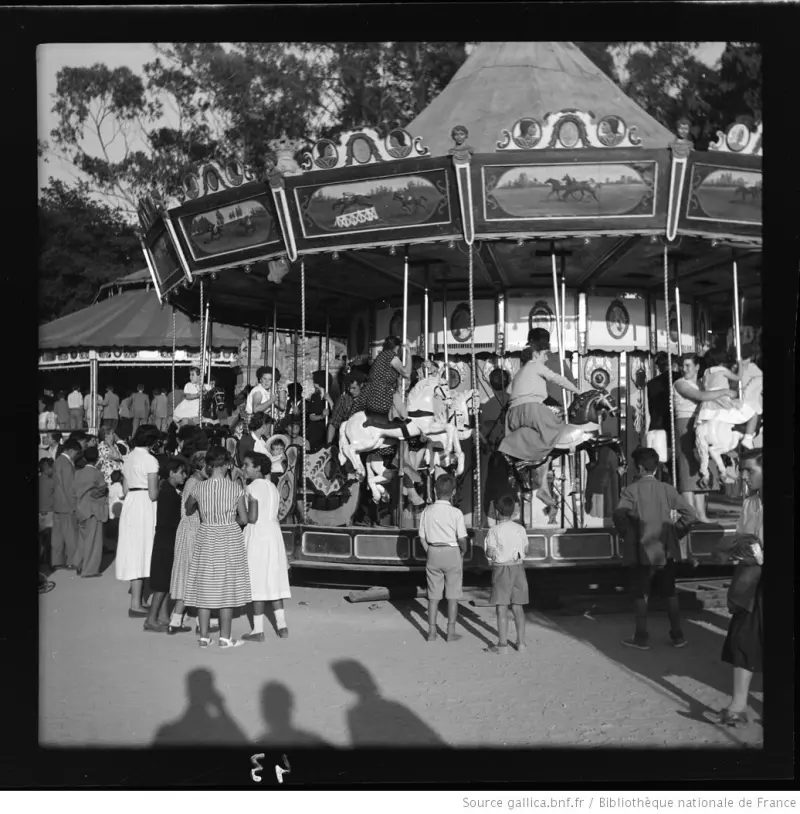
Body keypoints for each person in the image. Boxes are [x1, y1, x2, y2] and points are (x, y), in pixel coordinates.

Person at [613, 447, 697, 650]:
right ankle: (677, 636)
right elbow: (690, 514)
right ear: (656, 467)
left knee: (640, 594)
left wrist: (628, 534)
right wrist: (675, 532)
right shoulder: (667, 489)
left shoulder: (630, 490)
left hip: (641, 551)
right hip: (665, 551)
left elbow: (619, 516)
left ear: (639, 468)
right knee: (670, 592)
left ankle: (641, 638)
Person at [712, 449, 763, 726]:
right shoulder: (749, 503)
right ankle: (738, 705)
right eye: (742, 470)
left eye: (749, 470)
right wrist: (729, 549)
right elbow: (745, 537)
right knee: (742, 639)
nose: (742, 475)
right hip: (750, 578)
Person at [183, 446, 251, 648]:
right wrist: (228, 520)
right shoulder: (234, 488)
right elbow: (244, 518)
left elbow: (188, 508)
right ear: (227, 464)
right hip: (228, 536)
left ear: (209, 465)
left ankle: (204, 637)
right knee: (226, 587)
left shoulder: (199, 487)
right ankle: (225, 637)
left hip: (206, 534)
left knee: (204, 587)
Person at [498, 335, 581, 463]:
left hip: (513, 414)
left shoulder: (519, 372)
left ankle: (519, 456)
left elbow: (509, 391)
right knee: (558, 426)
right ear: (535, 355)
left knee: (530, 432)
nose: (546, 358)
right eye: (544, 355)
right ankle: (538, 459)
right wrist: (577, 391)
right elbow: (557, 379)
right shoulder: (536, 365)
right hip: (531, 409)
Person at [672, 353, 731, 523]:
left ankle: (701, 513)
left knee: (702, 464)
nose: (684, 369)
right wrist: (726, 391)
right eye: (683, 366)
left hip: (701, 422)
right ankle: (689, 514)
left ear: (697, 367)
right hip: (685, 423)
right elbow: (701, 397)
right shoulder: (680, 383)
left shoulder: (701, 383)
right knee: (686, 466)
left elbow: (711, 397)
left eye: (688, 365)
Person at [241, 452, 291, 642]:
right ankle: (282, 626)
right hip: (273, 533)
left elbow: (252, 517)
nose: (244, 468)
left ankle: (258, 630)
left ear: (258, 468)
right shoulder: (273, 487)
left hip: (258, 534)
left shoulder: (252, 487)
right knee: (273, 579)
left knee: (257, 581)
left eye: (247, 465)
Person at [418, 474, 468, 643]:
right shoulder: (456, 513)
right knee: (452, 596)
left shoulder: (427, 511)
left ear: (434, 490)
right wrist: (462, 552)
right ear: (453, 492)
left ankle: (431, 632)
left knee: (433, 596)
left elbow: (422, 537)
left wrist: (429, 550)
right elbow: (462, 538)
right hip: (452, 551)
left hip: (433, 551)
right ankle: (450, 632)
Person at [116, 427, 161, 616]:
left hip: (131, 504)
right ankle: (137, 603)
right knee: (144, 549)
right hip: (144, 505)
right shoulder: (150, 460)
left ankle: (136, 601)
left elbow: (125, 491)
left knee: (134, 550)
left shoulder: (128, 458)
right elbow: (153, 493)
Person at [145, 457, 189, 632]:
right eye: (181, 472)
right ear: (172, 473)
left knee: (165, 581)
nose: (184, 476)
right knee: (162, 583)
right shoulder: (169, 493)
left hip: (164, 537)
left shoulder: (168, 489)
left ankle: (162, 616)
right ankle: (151, 619)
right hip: (167, 538)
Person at [167, 451, 208, 635]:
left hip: (189, 530)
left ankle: (176, 621)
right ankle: (199, 623)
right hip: (192, 530)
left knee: (187, 576)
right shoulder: (195, 484)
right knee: (193, 575)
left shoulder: (193, 482)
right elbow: (190, 507)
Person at [484, 495, 529, 655]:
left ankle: (502, 645)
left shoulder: (494, 530)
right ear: (513, 512)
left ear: (497, 512)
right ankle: (521, 643)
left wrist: (491, 553)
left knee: (501, 608)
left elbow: (489, 551)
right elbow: (526, 550)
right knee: (518, 607)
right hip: (518, 568)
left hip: (501, 569)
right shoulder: (520, 529)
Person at [364, 336, 414, 438]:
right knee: (403, 410)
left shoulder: (382, 355)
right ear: (397, 347)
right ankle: (400, 423)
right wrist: (409, 354)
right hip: (382, 393)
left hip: (373, 391)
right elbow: (406, 373)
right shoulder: (390, 355)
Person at [73, 446, 109, 579]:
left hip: (80, 509)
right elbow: (100, 491)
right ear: (97, 458)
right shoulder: (97, 473)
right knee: (93, 541)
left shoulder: (78, 472)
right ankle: (89, 570)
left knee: (82, 539)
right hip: (93, 511)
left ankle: (79, 563)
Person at [526, 328, 578, 408]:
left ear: (533, 343)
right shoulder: (560, 360)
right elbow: (572, 382)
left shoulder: (533, 362)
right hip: (560, 405)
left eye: (530, 344)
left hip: (540, 405)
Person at [52, 437, 82, 570]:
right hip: (67, 505)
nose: (77, 456)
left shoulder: (57, 461)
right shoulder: (67, 463)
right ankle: (72, 561)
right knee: (71, 535)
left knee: (57, 535)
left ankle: (56, 561)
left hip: (57, 503)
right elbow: (70, 487)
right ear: (71, 450)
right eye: (76, 452)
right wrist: (75, 506)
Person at [328, 369, 367, 445]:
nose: (351, 391)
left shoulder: (369, 399)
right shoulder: (344, 400)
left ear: (361, 385)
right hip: (347, 440)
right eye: (349, 388)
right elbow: (333, 423)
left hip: (366, 439)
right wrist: (328, 444)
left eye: (354, 388)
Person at [738, 342, 763, 449]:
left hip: (737, 398)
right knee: (755, 413)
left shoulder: (736, 367)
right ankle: (748, 437)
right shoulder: (751, 366)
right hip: (747, 400)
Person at [307, 371, 333, 452]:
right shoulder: (314, 397)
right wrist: (322, 416)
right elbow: (311, 416)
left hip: (329, 428)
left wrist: (330, 401)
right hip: (316, 430)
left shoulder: (332, 394)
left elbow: (337, 413)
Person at [39, 458, 55, 570]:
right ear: (47, 469)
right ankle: (50, 564)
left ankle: (40, 561)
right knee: (50, 542)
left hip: (39, 513)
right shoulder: (51, 482)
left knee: (40, 541)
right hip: (49, 514)